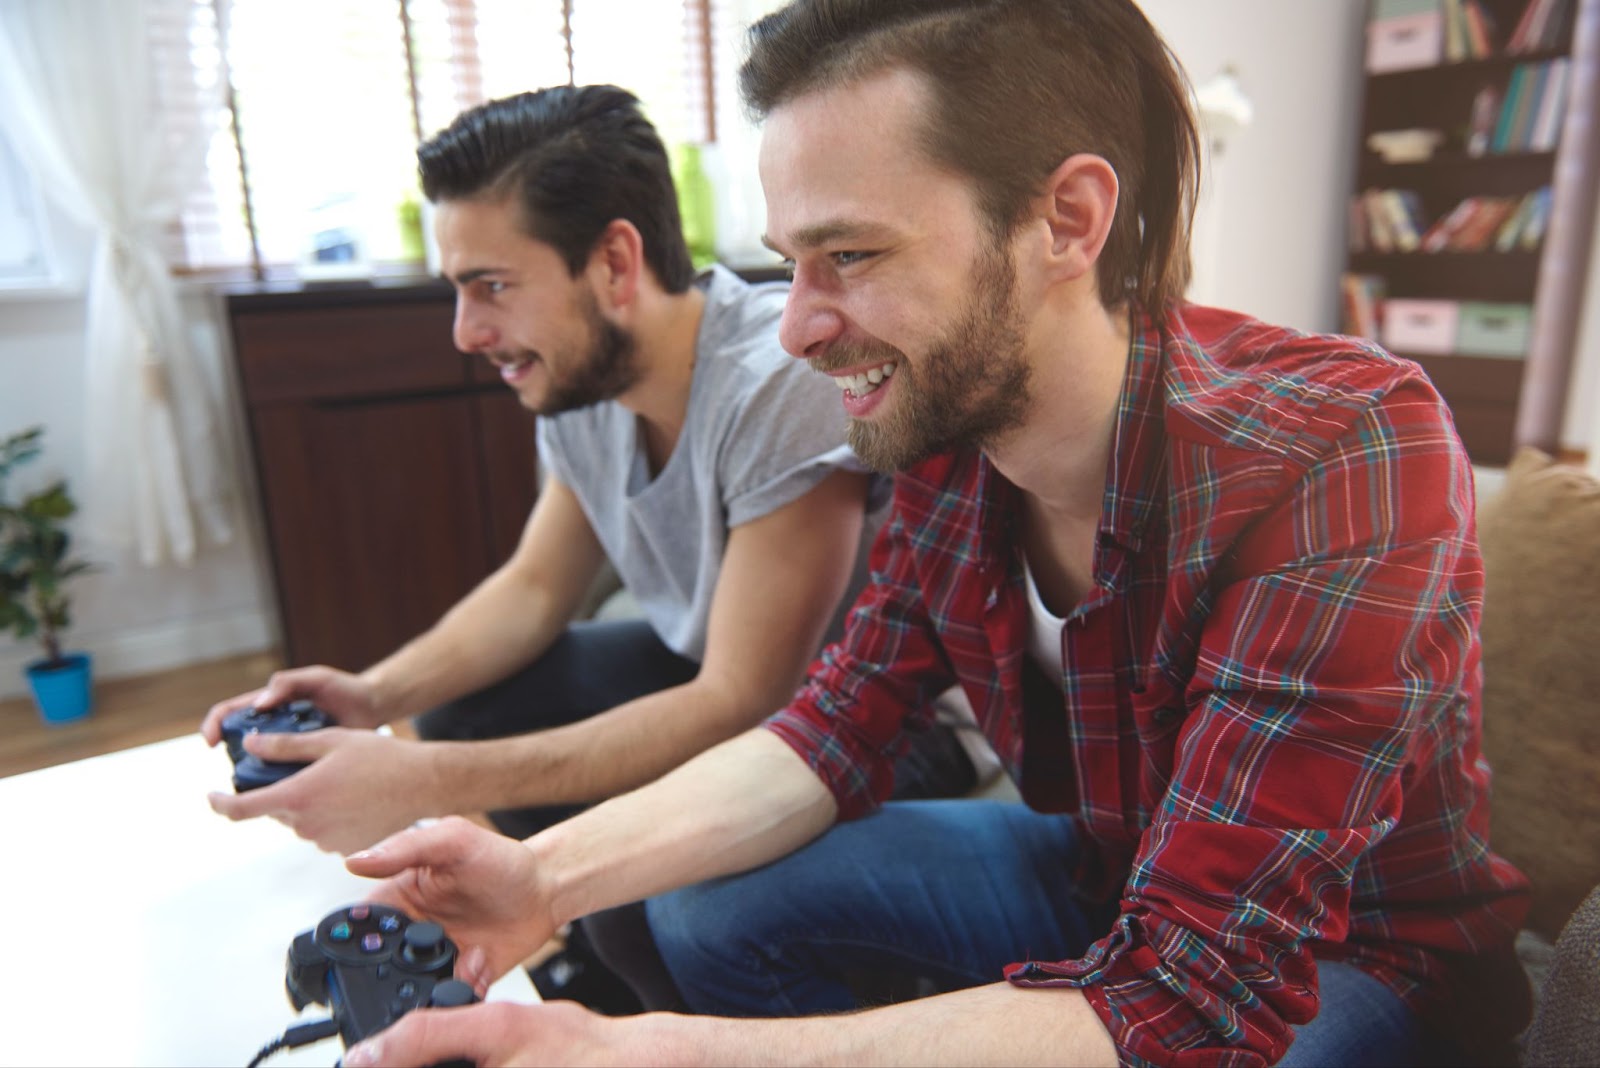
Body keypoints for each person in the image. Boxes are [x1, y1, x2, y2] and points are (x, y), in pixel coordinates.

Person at [330, 2, 1534, 1065]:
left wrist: (647, 1050)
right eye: (790, 264)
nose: (797, 328)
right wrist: (539, 880)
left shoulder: (1347, 444)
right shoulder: (946, 435)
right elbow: (826, 732)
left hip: (1337, 960)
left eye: (849, 255)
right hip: (1100, 870)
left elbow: (1194, 999)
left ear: (1065, 220)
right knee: (707, 912)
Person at [199, 84, 980, 1012]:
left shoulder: (775, 384)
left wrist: (432, 784)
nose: (465, 332)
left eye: (491, 286)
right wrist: (373, 696)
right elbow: (534, 588)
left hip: (869, 727)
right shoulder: (579, 380)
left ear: (615, 262)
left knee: (624, 896)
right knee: (467, 704)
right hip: (720, 678)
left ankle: (659, 1008)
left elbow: (743, 701)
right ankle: (613, 983)